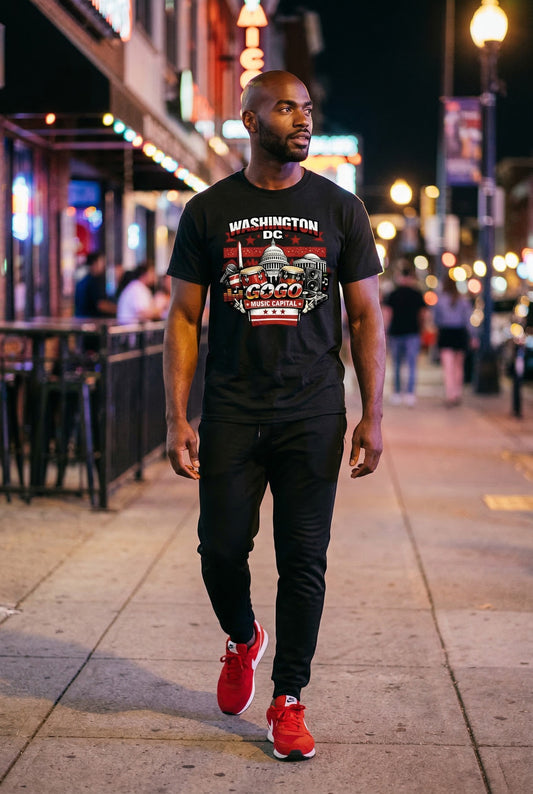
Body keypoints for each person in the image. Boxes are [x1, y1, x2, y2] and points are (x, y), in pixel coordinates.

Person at [163, 70, 385, 762]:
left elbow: (364, 317)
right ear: (250, 119)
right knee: (220, 549)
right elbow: (184, 318)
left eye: (307, 109)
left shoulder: (340, 210)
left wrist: (371, 414)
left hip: (312, 410)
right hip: (230, 409)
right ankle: (241, 636)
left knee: (303, 561)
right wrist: (177, 415)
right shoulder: (206, 211)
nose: (302, 120)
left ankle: (287, 699)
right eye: (286, 107)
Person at [383, 260, 427, 406]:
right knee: (411, 364)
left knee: (396, 364)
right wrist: (422, 329)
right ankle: (410, 394)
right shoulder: (417, 294)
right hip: (413, 332)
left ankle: (396, 393)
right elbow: (423, 315)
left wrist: (385, 331)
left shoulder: (392, 294)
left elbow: (387, 315)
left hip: (396, 332)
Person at [434, 274, 472, 406]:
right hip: (460, 334)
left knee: (448, 367)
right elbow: (468, 321)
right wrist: (473, 337)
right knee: (458, 366)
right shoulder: (463, 300)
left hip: (446, 333)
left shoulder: (440, 300)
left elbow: (436, 319)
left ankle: (450, 394)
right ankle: (457, 392)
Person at [74, 251, 116, 318]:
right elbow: (101, 305)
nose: (103, 265)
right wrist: (118, 309)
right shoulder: (93, 282)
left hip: (80, 321)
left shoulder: (82, 281)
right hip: (90, 323)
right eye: (101, 262)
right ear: (95, 263)